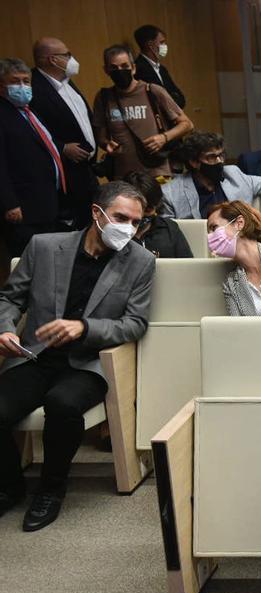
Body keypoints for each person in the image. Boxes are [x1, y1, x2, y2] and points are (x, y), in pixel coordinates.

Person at [0, 181, 154, 531]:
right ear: (97, 213)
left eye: (135, 222)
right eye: (120, 217)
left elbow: (134, 324)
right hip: (34, 355)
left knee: (63, 405)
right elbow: (10, 298)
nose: (127, 228)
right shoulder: (43, 246)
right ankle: (9, 486)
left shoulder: (141, 261)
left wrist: (85, 327)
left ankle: (51, 489)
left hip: (88, 362)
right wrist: (5, 328)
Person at [0, 57, 69, 259]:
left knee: (48, 260)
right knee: (30, 263)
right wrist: (9, 204)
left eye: (26, 81)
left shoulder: (30, 111)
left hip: (46, 203)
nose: (22, 86)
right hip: (23, 208)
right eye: (15, 81)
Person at [92, 45, 192, 180]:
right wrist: (106, 144)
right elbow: (101, 137)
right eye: (114, 68)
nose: (120, 71)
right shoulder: (104, 97)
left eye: (124, 66)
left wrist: (164, 138)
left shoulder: (152, 91)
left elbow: (187, 124)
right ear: (106, 70)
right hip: (123, 176)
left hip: (157, 172)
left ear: (133, 68)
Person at [30, 38, 98, 230]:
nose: (72, 59)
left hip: (86, 171)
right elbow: (32, 130)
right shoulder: (34, 88)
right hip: (64, 176)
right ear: (53, 60)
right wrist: (62, 147)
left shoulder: (68, 83)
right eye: (67, 55)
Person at [160, 131, 261, 220]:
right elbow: (170, 234)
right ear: (194, 162)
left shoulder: (234, 174)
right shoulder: (170, 193)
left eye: (221, 155)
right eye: (211, 157)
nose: (219, 161)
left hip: (240, 245)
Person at [123, 170, 190, 257]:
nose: (140, 215)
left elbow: (188, 265)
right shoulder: (114, 231)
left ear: (157, 206)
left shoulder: (169, 228)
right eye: (135, 209)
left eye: (147, 210)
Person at [132, 24, 185, 108]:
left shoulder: (162, 69)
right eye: (161, 42)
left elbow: (181, 99)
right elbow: (157, 101)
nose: (165, 46)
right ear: (150, 45)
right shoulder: (138, 68)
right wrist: (171, 98)